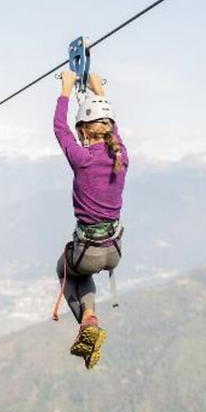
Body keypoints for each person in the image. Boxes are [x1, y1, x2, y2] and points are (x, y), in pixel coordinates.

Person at [53, 70, 129, 369]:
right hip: (114, 251)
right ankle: (89, 319)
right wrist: (99, 92)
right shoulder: (121, 155)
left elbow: (60, 128)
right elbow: (114, 129)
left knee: (67, 271)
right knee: (84, 272)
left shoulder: (82, 159)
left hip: (88, 251)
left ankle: (87, 321)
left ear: (83, 131)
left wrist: (65, 90)